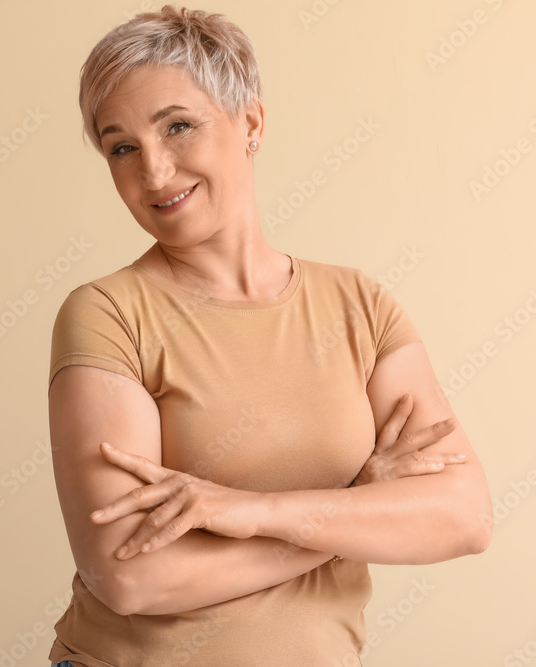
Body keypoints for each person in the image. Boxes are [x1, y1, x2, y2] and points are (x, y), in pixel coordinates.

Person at [46, 6, 492, 666]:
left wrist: (249, 511)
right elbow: (130, 575)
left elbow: (463, 515)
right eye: (122, 147)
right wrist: (355, 507)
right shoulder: (106, 314)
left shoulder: (359, 306)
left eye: (178, 127)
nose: (156, 171)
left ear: (250, 122)